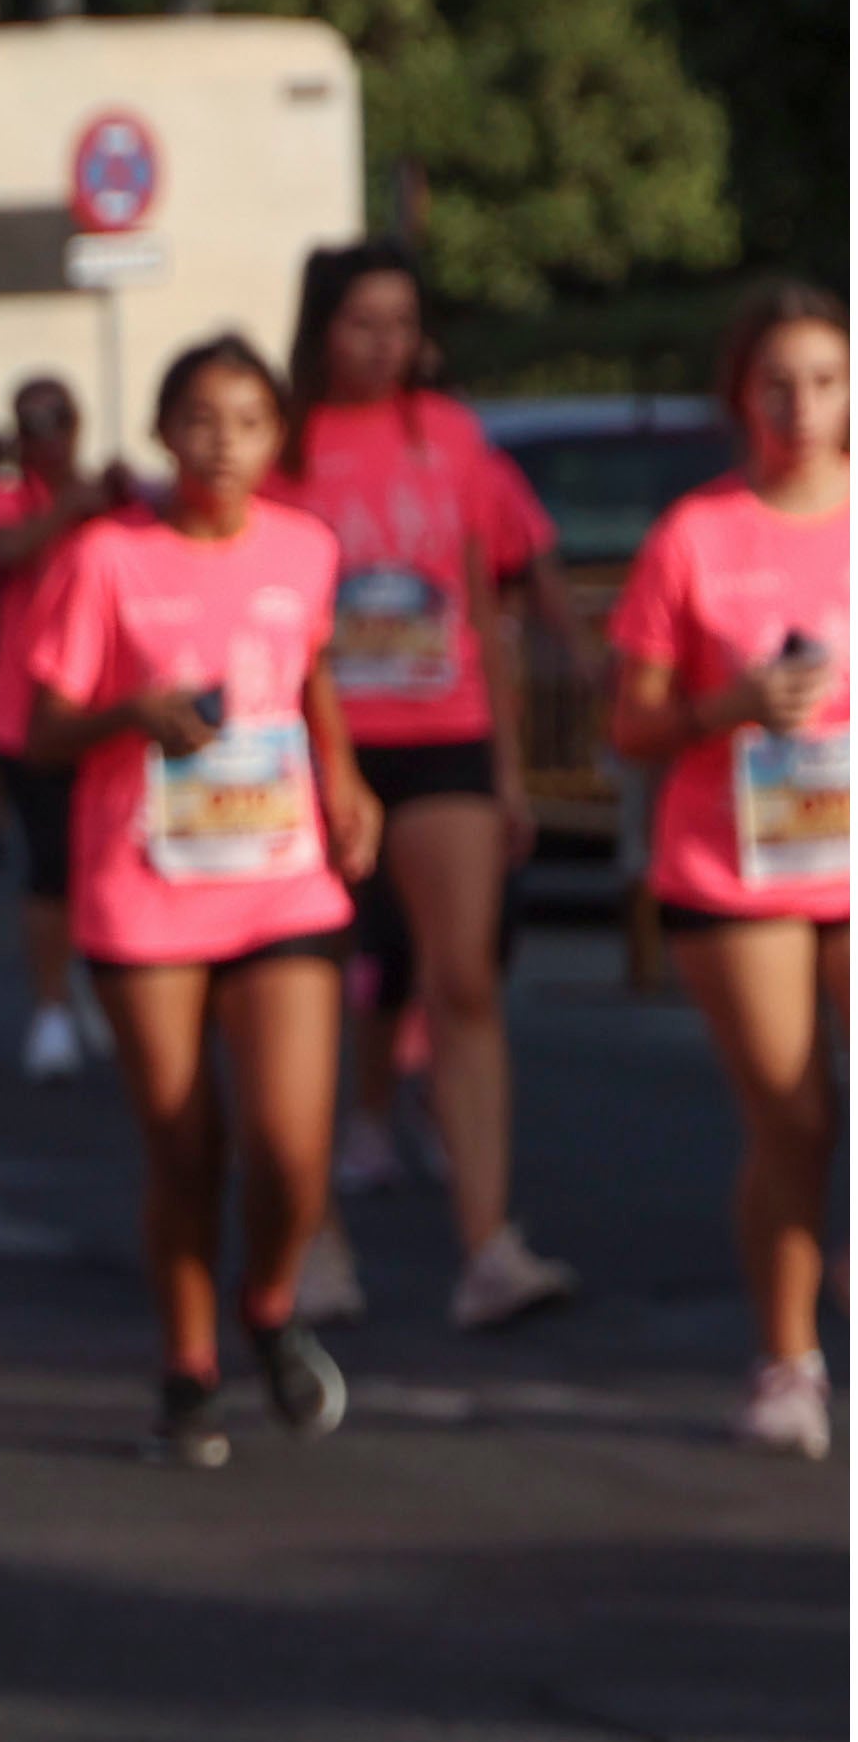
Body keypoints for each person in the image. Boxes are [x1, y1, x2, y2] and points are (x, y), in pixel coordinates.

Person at [24, 337, 379, 1467]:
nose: (223, 442)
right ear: (166, 432)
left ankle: (268, 1303)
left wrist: (345, 773)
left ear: (278, 438)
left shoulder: (306, 546)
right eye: (200, 419)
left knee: (289, 1148)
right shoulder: (104, 558)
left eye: (248, 420)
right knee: (184, 1146)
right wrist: (135, 713)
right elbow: (39, 728)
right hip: (147, 889)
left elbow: (308, 665)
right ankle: (189, 1366)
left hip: (281, 879)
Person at [282, 242, 576, 1330]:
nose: (386, 345)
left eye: (403, 323)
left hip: (444, 732)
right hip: (318, 750)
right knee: (312, 992)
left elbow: (483, 604)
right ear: (321, 330)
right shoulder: (287, 443)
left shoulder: (450, 437)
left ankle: (487, 1243)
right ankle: (315, 1237)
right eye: (364, 322)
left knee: (466, 986)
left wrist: (507, 769)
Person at [608, 285, 848, 1459]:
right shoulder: (696, 535)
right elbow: (633, 726)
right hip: (735, 866)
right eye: (777, 384)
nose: (801, 407)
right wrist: (733, 704)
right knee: (795, 1120)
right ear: (740, 396)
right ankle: (788, 1358)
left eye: (824, 381)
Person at [0, 375, 115, 1080]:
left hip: (99, 711)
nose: (48, 434)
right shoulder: (6, 495)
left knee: (102, 860)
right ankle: (52, 1004)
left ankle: (90, 980)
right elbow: (1, 549)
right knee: (51, 863)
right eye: (33, 423)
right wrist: (71, 510)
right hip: (24, 714)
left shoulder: (105, 498)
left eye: (60, 419)